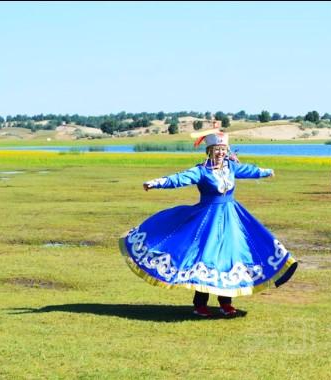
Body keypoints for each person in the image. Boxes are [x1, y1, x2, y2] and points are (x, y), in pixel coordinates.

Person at [119, 130, 298, 317]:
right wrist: (158, 182)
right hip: (207, 220)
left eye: (223, 149)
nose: (220, 152)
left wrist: (266, 172)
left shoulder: (231, 167)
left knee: (229, 258)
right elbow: (180, 178)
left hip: (231, 218)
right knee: (206, 258)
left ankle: (226, 302)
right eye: (216, 149)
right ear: (209, 150)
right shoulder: (201, 171)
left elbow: (249, 170)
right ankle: (200, 304)